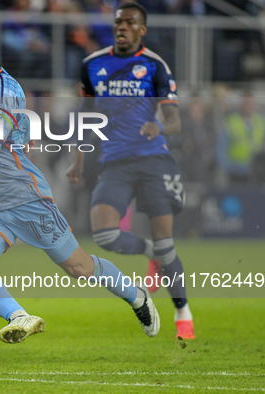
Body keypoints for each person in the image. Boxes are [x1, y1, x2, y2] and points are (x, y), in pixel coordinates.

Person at [0, 26, 159, 344]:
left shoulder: (2, 93)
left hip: (26, 200)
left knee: (79, 268)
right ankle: (19, 316)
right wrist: (21, 131)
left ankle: (136, 296)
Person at [65, 2, 195, 340]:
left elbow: (175, 120)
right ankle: (150, 252)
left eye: (130, 22)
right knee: (104, 235)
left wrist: (161, 128)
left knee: (168, 246)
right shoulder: (93, 65)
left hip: (153, 159)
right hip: (115, 162)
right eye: (118, 21)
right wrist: (77, 159)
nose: (122, 27)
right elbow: (85, 117)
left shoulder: (154, 66)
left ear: (142, 30)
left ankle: (183, 312)